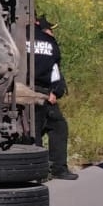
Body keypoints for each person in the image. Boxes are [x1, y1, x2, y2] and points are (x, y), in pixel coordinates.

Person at [26, 15, 77, 179]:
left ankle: (38, 170)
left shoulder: (16, 36)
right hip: (45, 92)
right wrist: (55, 92)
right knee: (56, 127)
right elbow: (55, 69)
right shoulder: (49, 41)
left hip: (23, 91)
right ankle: (56, 169)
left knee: (36, 130)